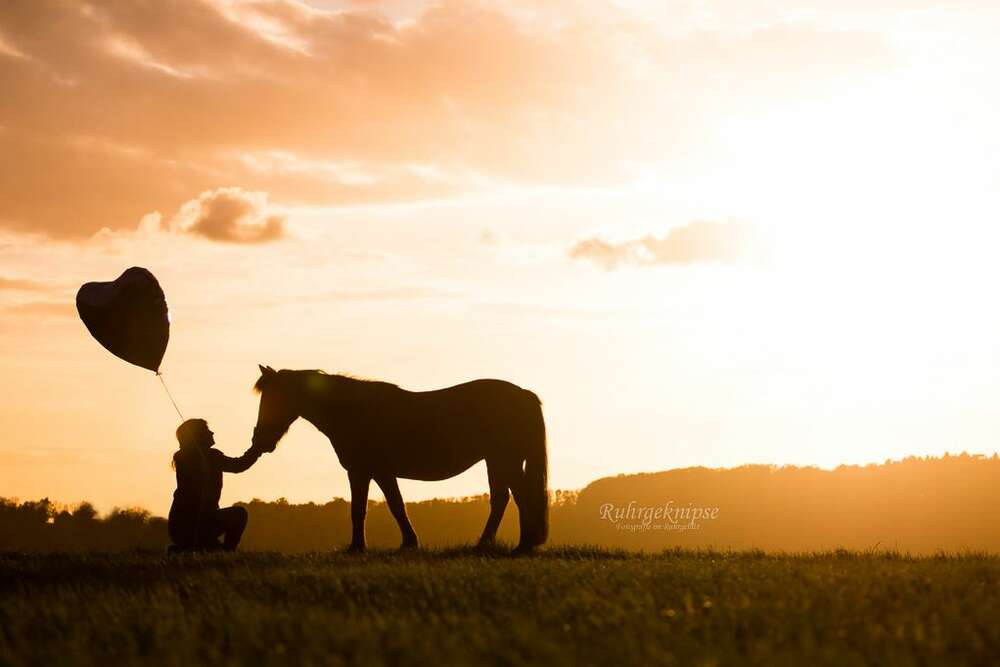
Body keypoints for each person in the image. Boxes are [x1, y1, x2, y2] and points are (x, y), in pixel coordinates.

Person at [168, 418, 262, 552]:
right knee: (239, 514)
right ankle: (227, 552)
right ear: (198, 435)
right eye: (207, 430)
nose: (212, 433)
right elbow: (239, 465)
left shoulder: (183, 457)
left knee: (205, 549)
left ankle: (186, 548)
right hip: (198, 524)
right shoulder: (210, 457)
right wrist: (256, 449)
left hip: (178, 527)